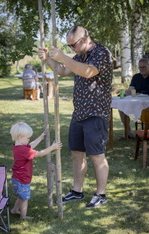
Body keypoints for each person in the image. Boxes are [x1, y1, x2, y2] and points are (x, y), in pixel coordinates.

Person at [38, 25, 113, 209]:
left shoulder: (101, 52)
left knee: (97, 155)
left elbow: (87, 72)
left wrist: (63, 56)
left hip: (96, 113)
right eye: (69, 46)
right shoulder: (80, 55)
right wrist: (48, 58)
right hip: (79, 112)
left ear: (85, 39)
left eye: (73, 45)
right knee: (76, 153)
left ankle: (101, 194)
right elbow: (63, 71)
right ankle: (77, 191)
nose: (72, 49)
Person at [10, 122, 62, 219]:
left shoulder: (18, 147)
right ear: (20, 137)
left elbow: (30, 145)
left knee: (21, 196)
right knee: (25, 198)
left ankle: (14, 210)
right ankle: (23, 216)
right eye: (28, 137)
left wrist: (41, 137)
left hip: (17, 178)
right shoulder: (23, 150)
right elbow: (39, 154)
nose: (29, 139)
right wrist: (52, 147)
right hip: (22, 179)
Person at [119, 58, 149, 139]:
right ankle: (128, 133)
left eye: (144, 67)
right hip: (136, 103)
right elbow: (131, 88)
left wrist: (140, 93)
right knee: (121, 108)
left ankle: (147, 132)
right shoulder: (136, 77)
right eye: (140, 67)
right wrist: (129, 91)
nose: (142, 69)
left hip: (147, 105)